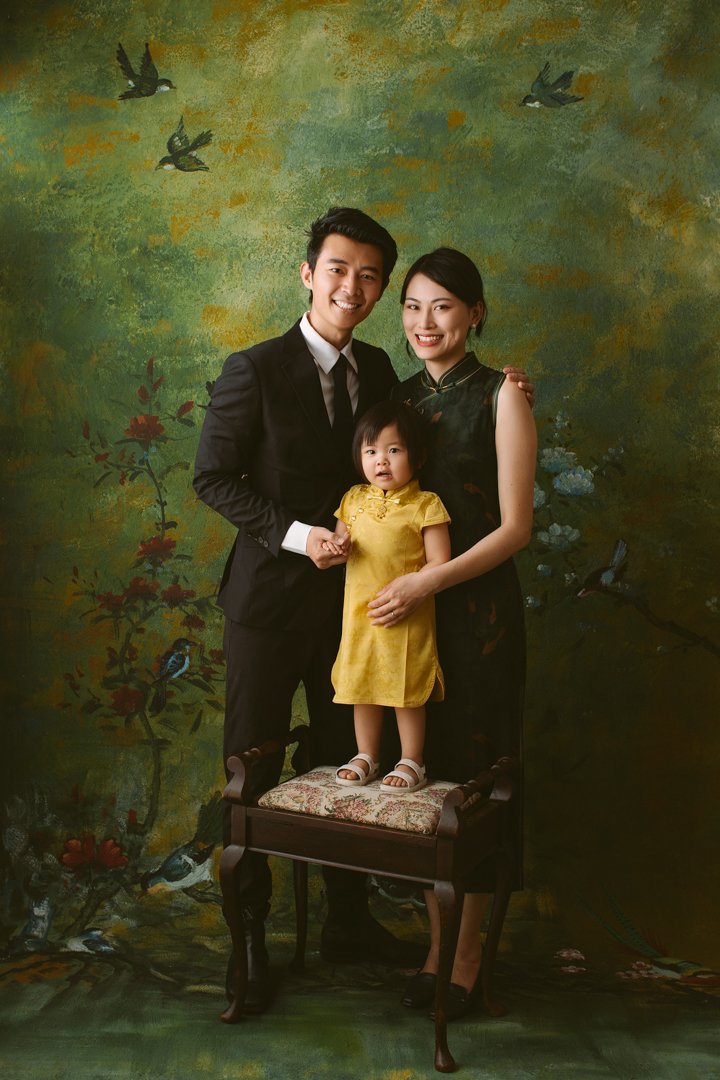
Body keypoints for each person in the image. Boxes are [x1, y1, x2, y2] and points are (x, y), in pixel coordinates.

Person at [193, 210, 534, 1015]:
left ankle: (349, 923)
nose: (354, 286)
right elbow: (212, 477)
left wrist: (510, 391)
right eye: (339, 269)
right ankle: (249, 948)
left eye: (371, 276)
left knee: (359, 759)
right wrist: (298, 535)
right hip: (272, 604)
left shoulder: (381, 371)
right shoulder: (254, 368)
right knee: (254, 769)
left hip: (368, 613)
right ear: (308, 273)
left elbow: (428, 456)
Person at [366, 248, 537, 1020]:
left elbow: (515, 529)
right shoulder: (396, 399)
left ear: (475, 313)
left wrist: (428, 583)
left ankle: (467, 958)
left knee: (473, 780)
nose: (424, 322)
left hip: (477, 616)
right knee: (424, 774)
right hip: (405, 615)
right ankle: (436, 946)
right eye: (412, 306)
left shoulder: (503, 395)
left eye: (442, 306)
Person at [329, 401, 451, 793]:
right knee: (362, 683)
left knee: (406, 688)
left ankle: (412, 759)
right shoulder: (352, 499)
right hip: (360, 619)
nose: (381, 460)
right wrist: (336, 547)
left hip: (406, 616)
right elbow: (340, 543)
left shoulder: (426, 505)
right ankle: (366, 754)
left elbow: (440, 562)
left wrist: (415, 586)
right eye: (371, 451)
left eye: (394, 450)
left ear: (418, 457)